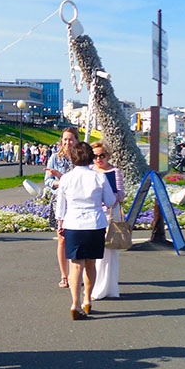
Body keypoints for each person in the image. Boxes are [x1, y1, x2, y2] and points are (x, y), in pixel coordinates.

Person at [56, 142, 117, 320]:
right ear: (91, 157)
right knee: (91, 264)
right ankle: (87, 301)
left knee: (75, 265)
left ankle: (74, 303)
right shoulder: (99, 177)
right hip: (94, 222)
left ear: (72, 158)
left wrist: (60, 223)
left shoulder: (66, 178)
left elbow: (61, 205)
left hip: (73, 222)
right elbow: (110, 200)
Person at [44, 127, 79, 288]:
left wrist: (61, 178)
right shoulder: (54, 158)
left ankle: (76, 273)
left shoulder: (81, 157)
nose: (67, 142)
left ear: (76, 141)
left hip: (77, 202)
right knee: (62, 238)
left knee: (77, 238)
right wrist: (62, 182)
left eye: (71, 139)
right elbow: (48, 182)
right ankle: (64, 275)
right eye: (65, 139)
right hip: (60, 202)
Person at [90, 141, 125, 300]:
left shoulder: (114, 172)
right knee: (95, 252)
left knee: (110, 251)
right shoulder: (90, 171)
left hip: (111, 213)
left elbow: (120, 194)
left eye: (102, 156)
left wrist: (109, 199)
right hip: (95, 214)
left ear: (108, 156)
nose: (99, 159)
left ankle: (109, 287)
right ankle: (95, 286)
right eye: (95, 156)